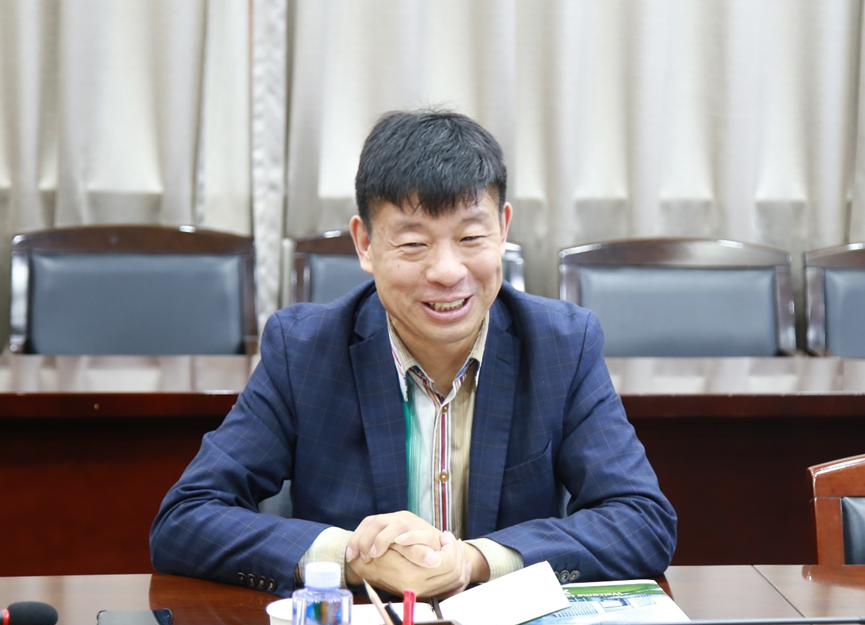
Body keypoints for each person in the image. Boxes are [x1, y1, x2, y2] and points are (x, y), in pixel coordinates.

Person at [150, 109, 676, 599]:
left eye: (471, 236)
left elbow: (642, 521)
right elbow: (185, 519)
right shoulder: (304, 349)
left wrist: (475, 561)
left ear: (503, 229)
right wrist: (352, 558)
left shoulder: (562, 344)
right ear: (365, 244)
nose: (447, 271)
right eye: (413, 244)